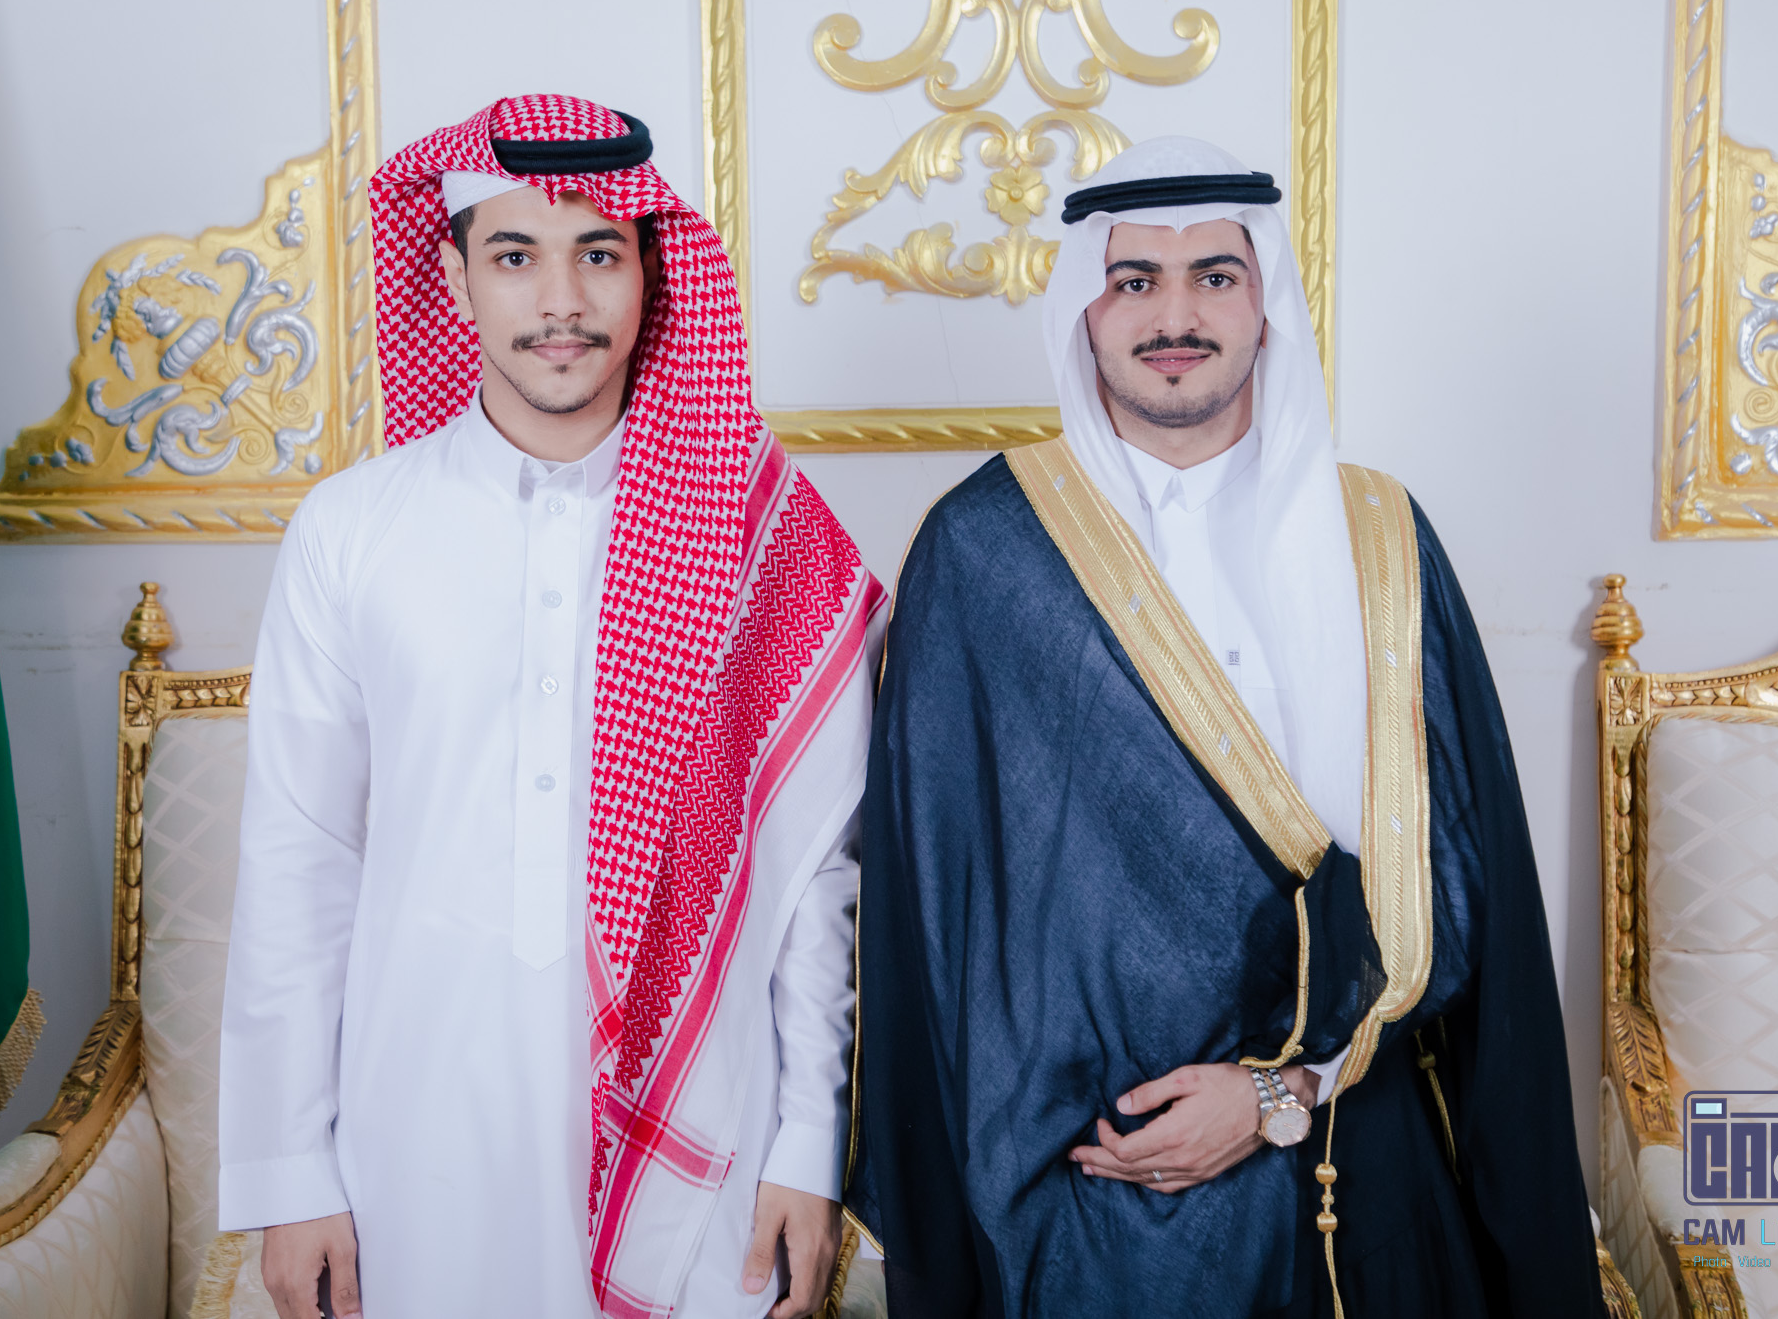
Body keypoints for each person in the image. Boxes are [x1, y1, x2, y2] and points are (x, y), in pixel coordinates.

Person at [848, 137, 1604, 1317]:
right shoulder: (986, 551)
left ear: (1265, 305)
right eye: (1133, 280)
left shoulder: (1377, 539)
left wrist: (1280, 1092)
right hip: (1090, 1189)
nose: (1174, 317)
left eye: (1213, 276)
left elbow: (1464, 880)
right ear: (1083, 309)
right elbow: (937, 913)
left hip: (1351, 1156)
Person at [217, 95, 883, 1319]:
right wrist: (285, 1172)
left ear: (650, 275)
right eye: (515, 256)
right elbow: (297, 864)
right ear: (455, 280)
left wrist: (807, 1145)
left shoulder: (762, 538)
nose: (561, 301)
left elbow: (814, 878)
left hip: (707, 1136)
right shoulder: (352, 529)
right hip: (415, 1130)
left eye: (598, 254)